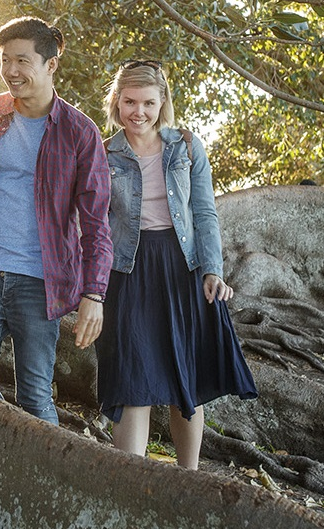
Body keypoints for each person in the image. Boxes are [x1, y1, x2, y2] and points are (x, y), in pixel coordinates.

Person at [0, 17, 112, 424]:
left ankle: (45, 480)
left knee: (34, 395)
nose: (12, 71)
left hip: (40, 281)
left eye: (23, 60)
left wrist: (94, 294)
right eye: (5, 60)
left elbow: (97, 224)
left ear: (51, 64)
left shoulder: (80, 133)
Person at [85, 60, 256, 468]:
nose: (138, 112)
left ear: (162, 103)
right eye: (129, 102)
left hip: (184, 272)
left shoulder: (187, 146)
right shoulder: (103, 153)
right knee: (132, 380)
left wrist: (213, 270)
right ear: (117, 102)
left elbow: (205, 213)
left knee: (187, 381)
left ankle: (188, 477)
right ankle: (130, 483)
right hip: (127, 272)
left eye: (147, 102)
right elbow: (94, 223)